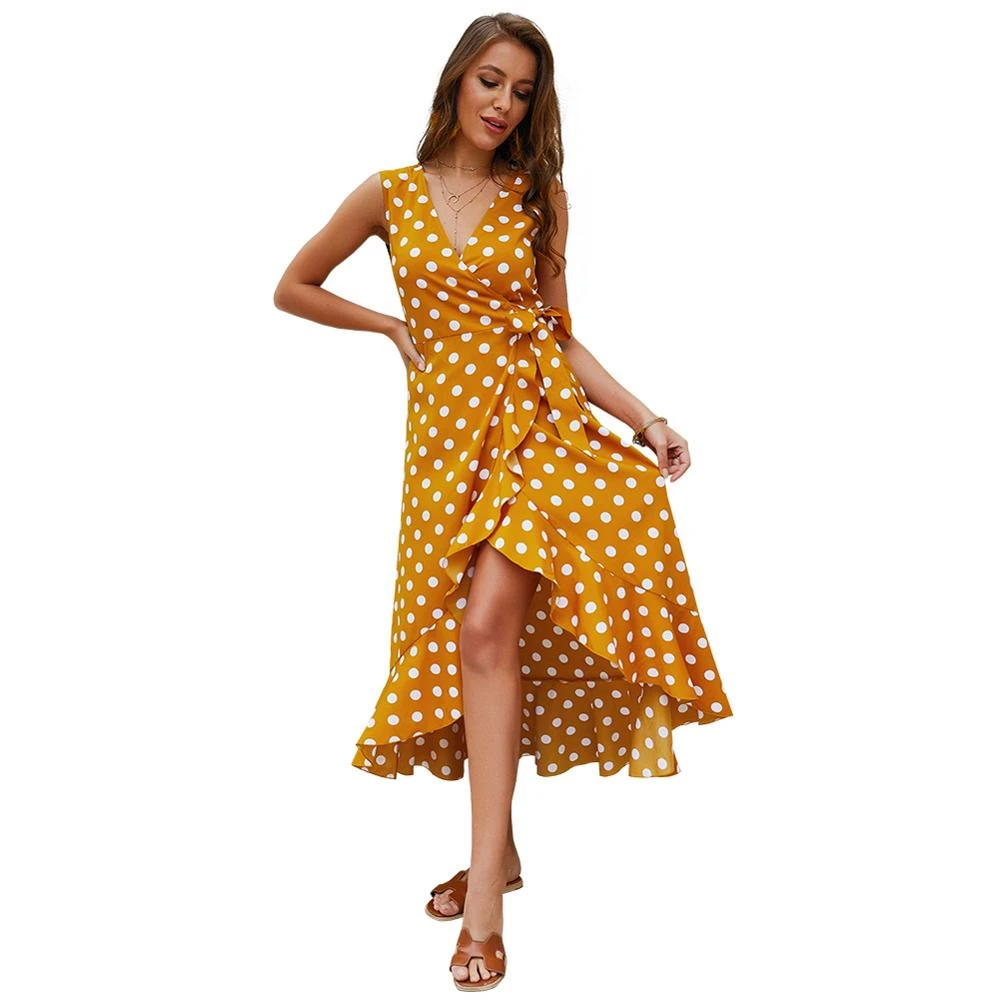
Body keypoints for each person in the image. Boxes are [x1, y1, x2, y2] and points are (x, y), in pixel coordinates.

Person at [274, 13, 733, 991]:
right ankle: (505, 851)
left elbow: (561, 335)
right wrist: (387, 324)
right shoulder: (388, 193)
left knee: (487, 629)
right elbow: (294, 285)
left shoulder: (539, 199)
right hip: (447, 453)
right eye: (491, 81)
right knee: (473, 644)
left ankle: (485, 897)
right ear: (456, 81)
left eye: (523, 92)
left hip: (538, 434)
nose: (504, 105)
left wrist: (646, 417)